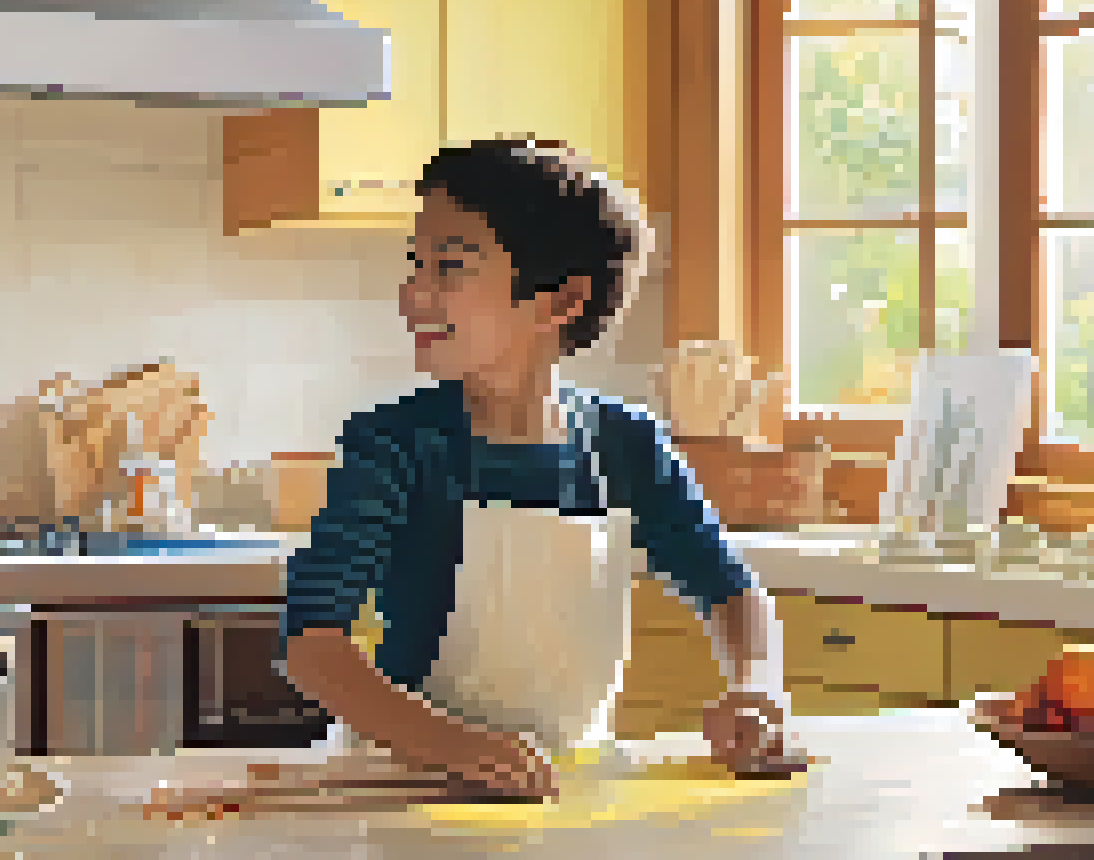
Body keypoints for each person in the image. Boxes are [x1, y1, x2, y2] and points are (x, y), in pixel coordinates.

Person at [281, 139, 795, 797]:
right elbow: (313, 645)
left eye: (449, 268)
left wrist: (756, 687)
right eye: (417, 265)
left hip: (567, 791)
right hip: (407, 785)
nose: (414, 295)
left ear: (562, 302)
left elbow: (731, 591)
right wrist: (456, 747)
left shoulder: (626, 446)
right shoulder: (396, 445)